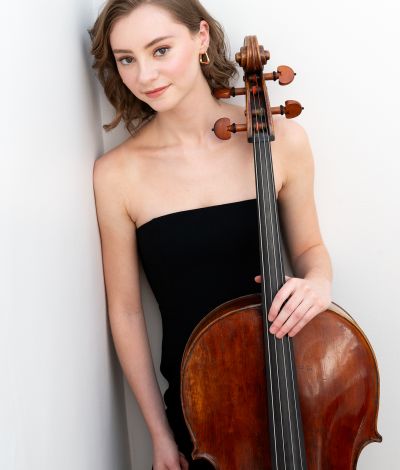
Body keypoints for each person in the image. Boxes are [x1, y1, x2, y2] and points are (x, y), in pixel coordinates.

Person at [88, 0, 332, 468]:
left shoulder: (283, 140)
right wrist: (159, 435)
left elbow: (310, 248)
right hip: (200, 412)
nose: (145, 75)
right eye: (127, 59)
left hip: (298, 384)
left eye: (160, 50)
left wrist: (319, 282)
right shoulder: (116, 175)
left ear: (201, 38)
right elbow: (126, 312)